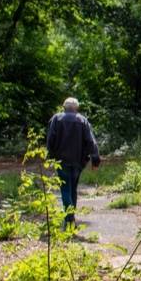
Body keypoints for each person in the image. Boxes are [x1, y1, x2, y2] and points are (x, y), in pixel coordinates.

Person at [46, 97, 100, 228]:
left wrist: (50, 156)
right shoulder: (82, 120)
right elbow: (90, 141)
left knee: (65, 188)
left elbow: (50, 139)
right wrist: (95, 158)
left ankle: (69, 219)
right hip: (78, 161)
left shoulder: (56, 119)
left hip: (61, 161)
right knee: (73, 189)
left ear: (64, 107)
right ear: (76, 108)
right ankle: (71, 219)